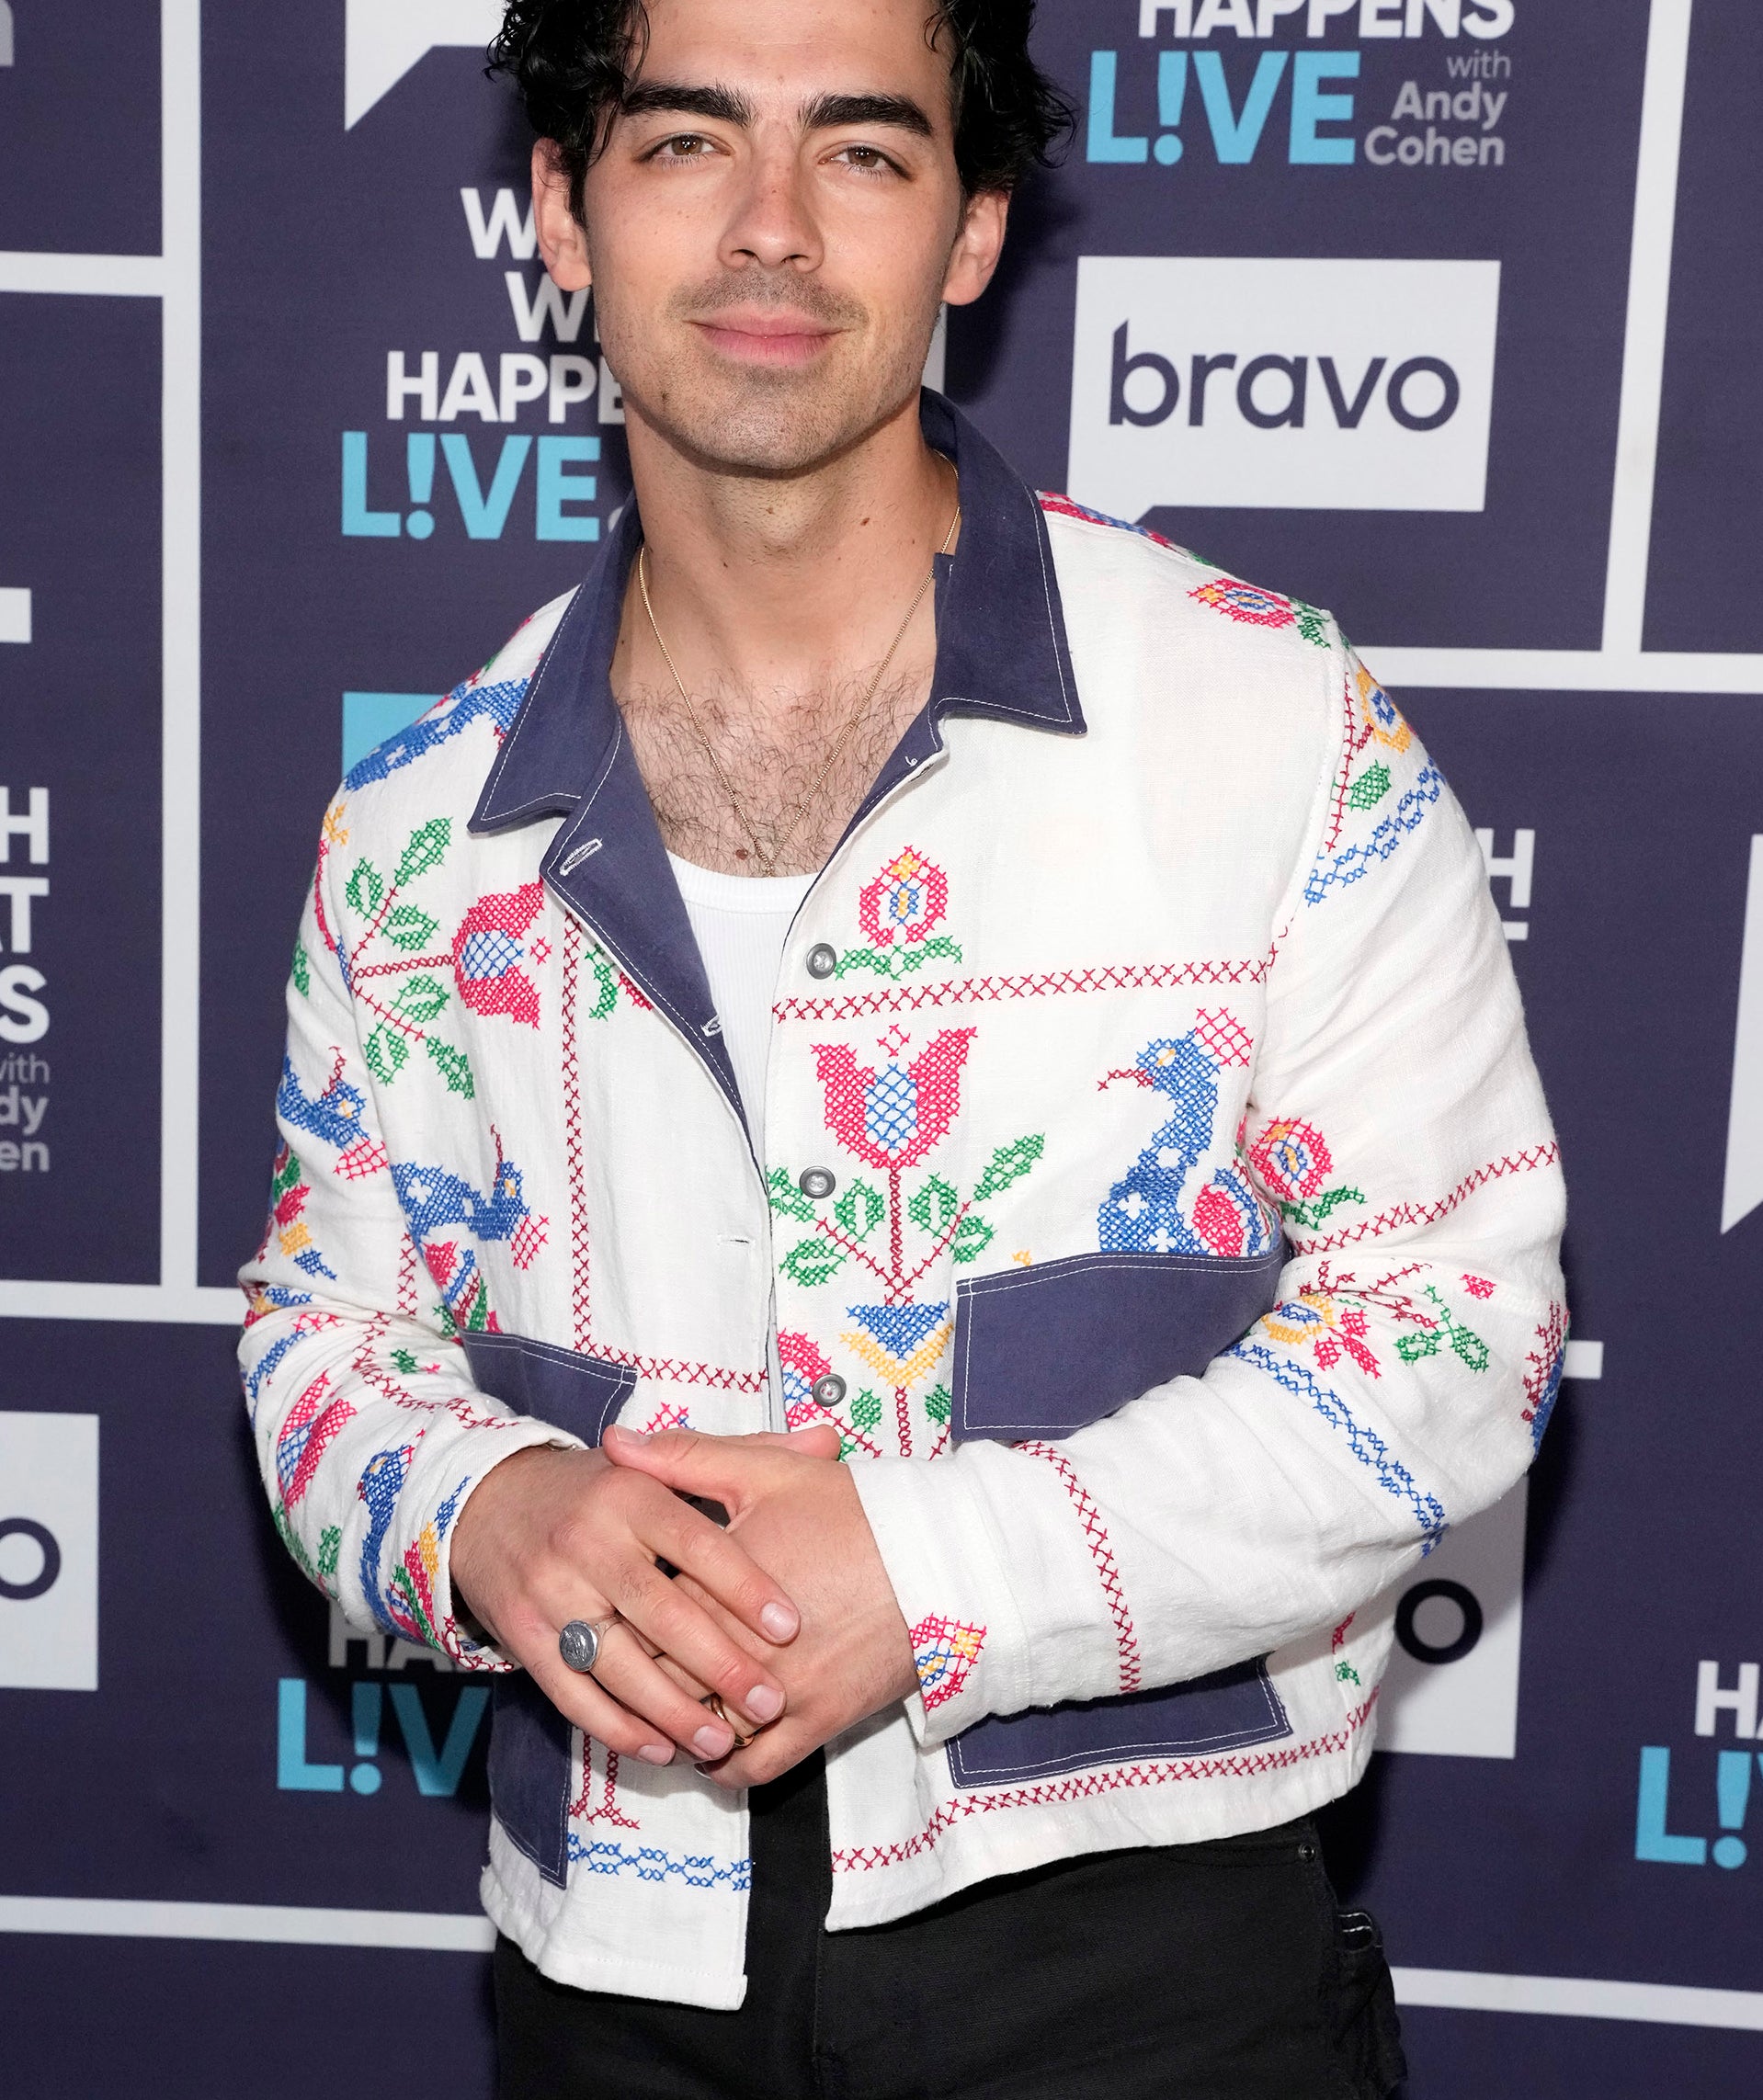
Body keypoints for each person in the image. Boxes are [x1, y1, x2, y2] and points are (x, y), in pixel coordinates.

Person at [241, 0, 1564, 2091]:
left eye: (859, 151)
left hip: (1146, 1957)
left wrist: (933, 1569)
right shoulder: (419, 826)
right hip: (615, 1956)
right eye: (685, 145)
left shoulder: (1267, 732)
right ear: (559, 218)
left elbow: (1451, 1335)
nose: (770, 228)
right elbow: (325, 1332)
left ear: (969, 232)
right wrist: (486, 1508)